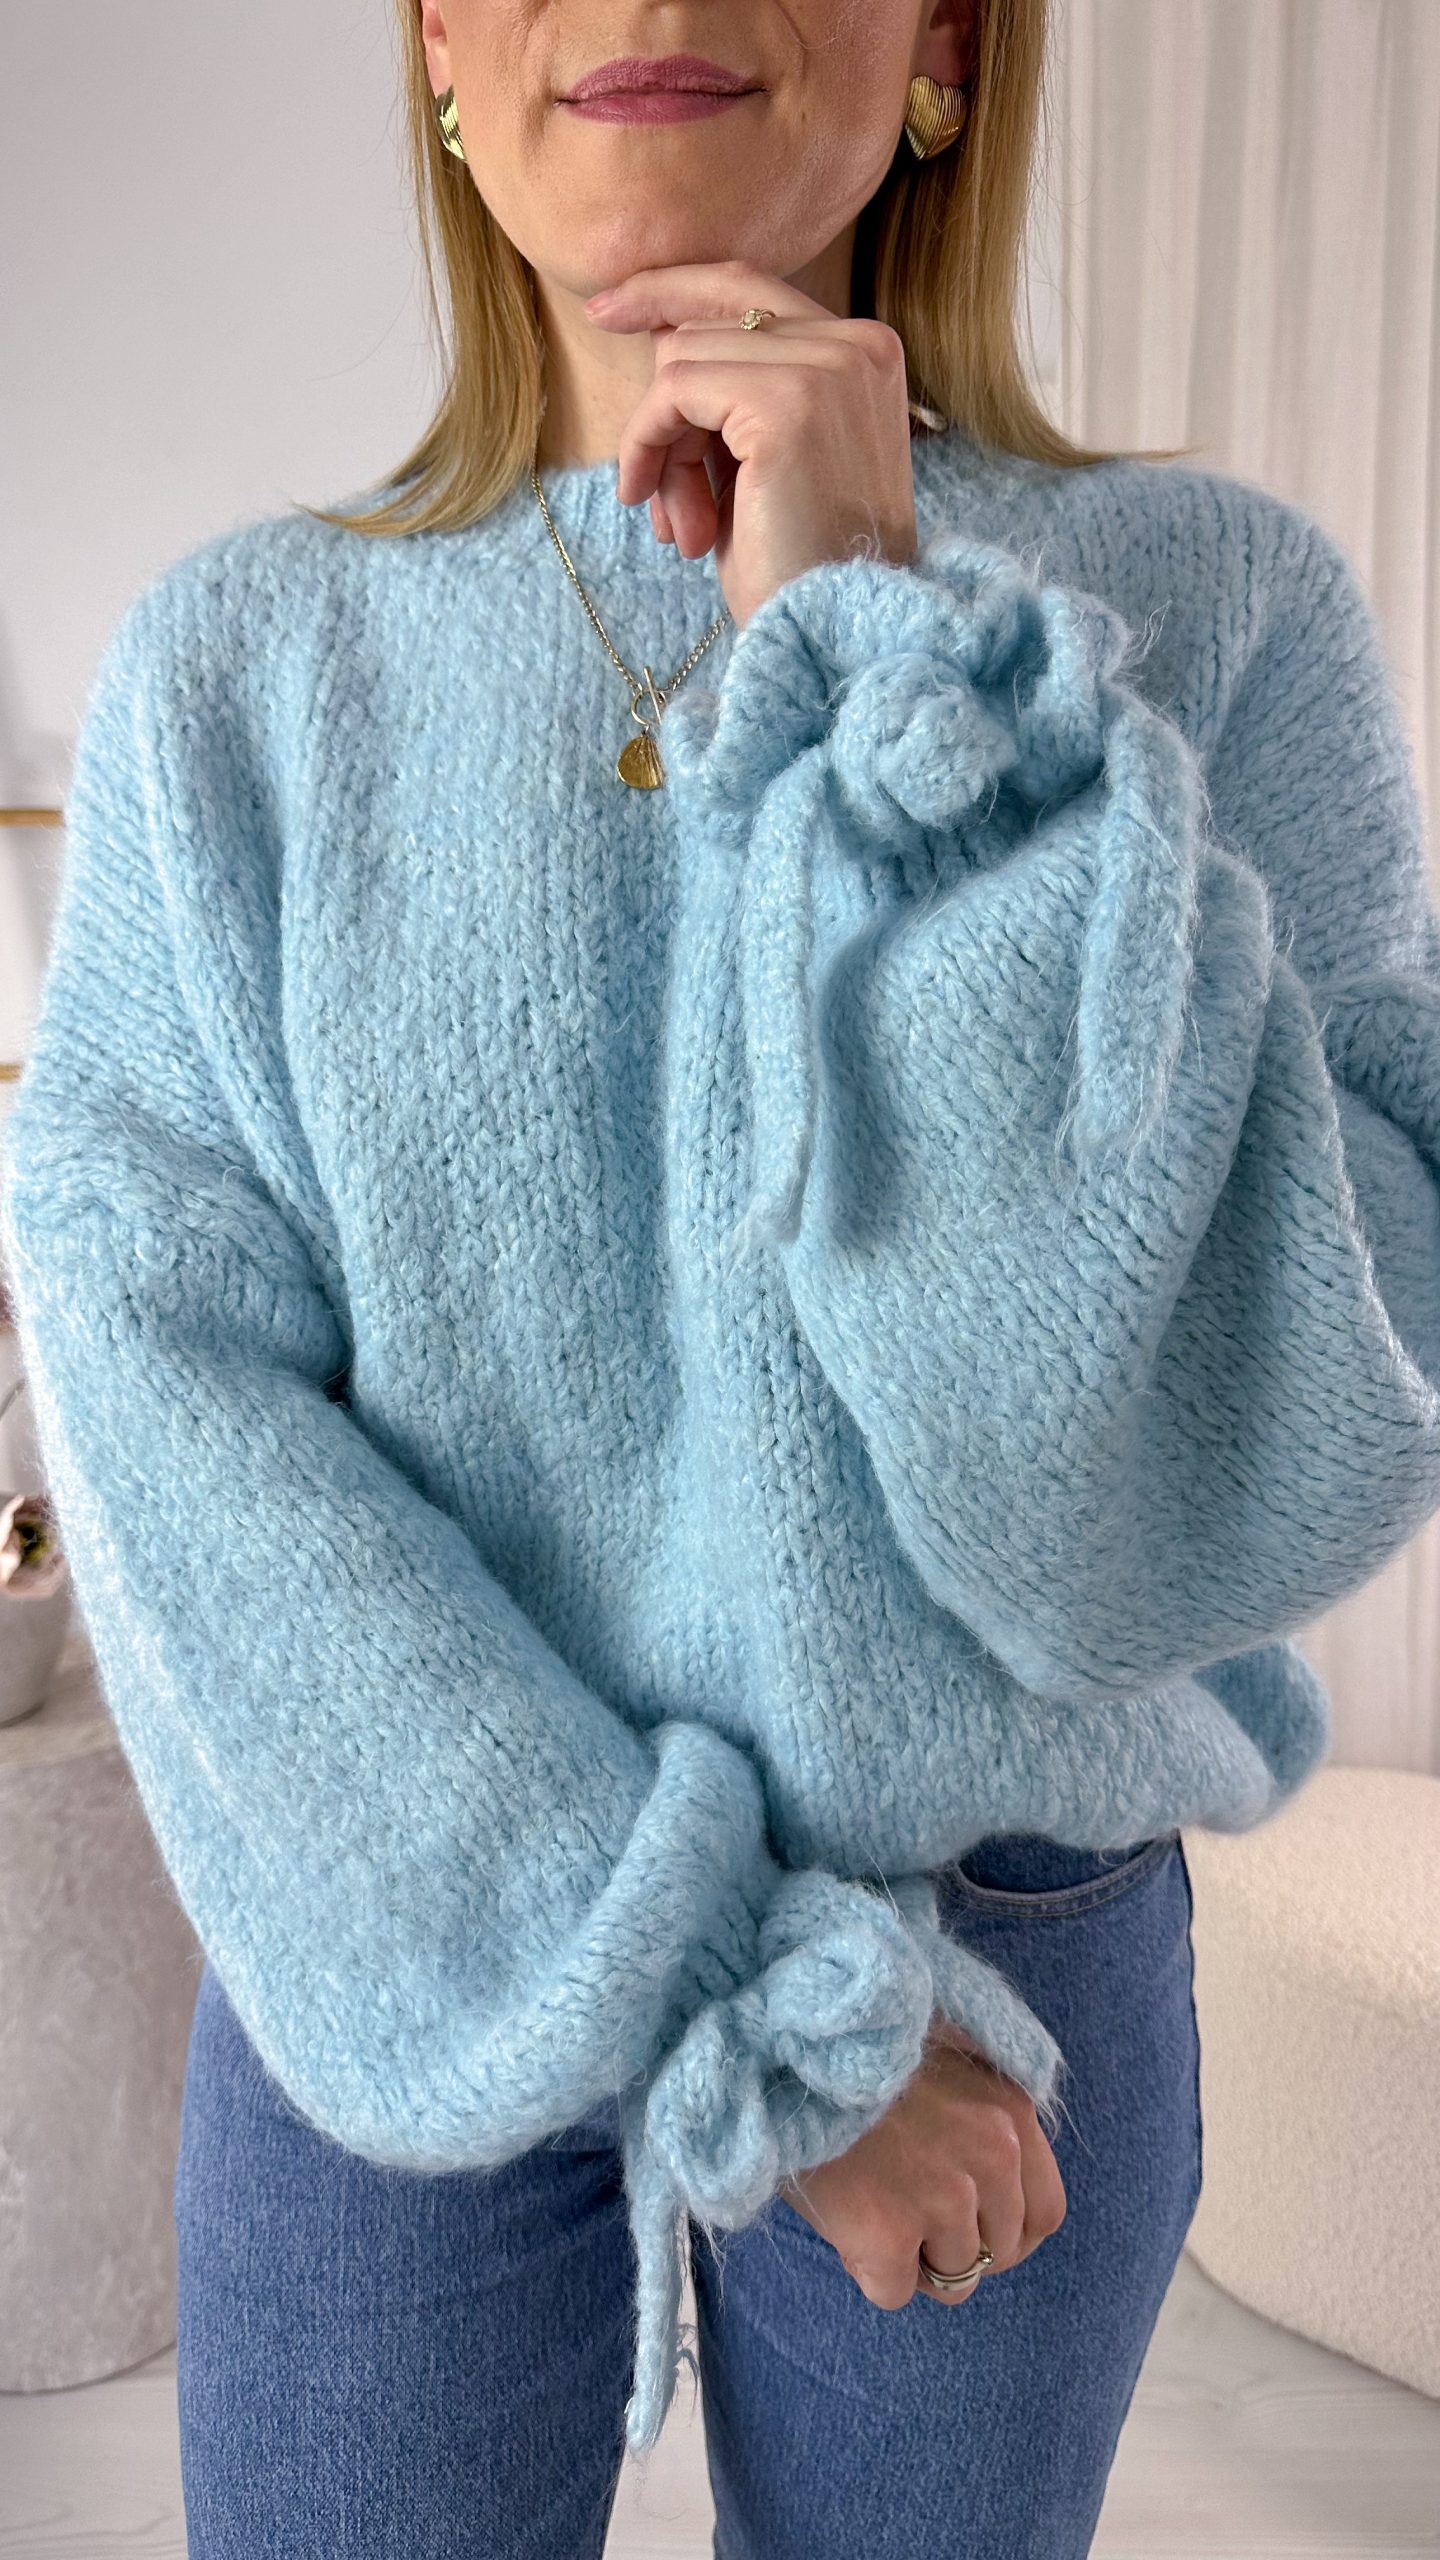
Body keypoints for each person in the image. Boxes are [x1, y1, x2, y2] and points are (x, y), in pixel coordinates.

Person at [5, 2, 1440, 2553]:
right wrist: (739, 2006)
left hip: (1002, 1956)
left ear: (947, 39)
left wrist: (904, 670)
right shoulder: (237, 674)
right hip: (411, 1921)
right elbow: (166, 1407)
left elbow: (1233, 1460)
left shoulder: (1215, 615)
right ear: (439, 52)